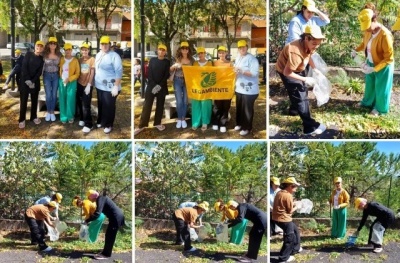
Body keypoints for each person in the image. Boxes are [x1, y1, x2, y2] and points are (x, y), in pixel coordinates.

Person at [275, 25, 326, 135]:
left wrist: (315, 69)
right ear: (306, 38)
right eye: (314, 44)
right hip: (286, 70)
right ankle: (309, 127)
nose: (316, 47)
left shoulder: (309, 44)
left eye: (318, 44)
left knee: (300, 91)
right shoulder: (295, 52)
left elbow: (309, 55)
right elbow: (287, 73)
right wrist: (305, 78)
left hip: (297, 67)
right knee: (301, 97)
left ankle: (294, 110)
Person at [352, 5, 394, 116]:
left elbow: (389, 58)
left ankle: (380, 109)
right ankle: (367, 103)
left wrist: (375, 68)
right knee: (370, 85)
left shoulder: (385, 35)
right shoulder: (368, 31)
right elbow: (364, 43)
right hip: (370, 62)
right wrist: (355, 50)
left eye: (368, 25)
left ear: (374, 20)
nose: (366, 29)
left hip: (383, 65)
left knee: (382, 88)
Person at [134, 44, 170, 135]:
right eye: (160, 49)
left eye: (163, 50)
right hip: (151, 86)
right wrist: (154, 86)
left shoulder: (167, 62)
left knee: (160, 105)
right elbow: (149, 74)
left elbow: (166, 75)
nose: (161, 51)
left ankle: (157, 123)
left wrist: (159, 86)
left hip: (162, 87)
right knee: (147, 105)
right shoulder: (152, 60)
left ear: (165, 52)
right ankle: (142, 125)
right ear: (157, 50)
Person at [94, 35, 123, 134]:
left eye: (106, 43)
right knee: (101, 104)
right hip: (99, 86)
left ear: (109, 44)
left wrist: (116, 86)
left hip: (111, 87)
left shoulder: (114, 56)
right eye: (102, 44)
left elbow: (119, 71)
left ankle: (108, 124)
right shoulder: (98, 54)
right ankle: (101, 121)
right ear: (100, 45)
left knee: (109, 106)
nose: (104, 45)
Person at [85, 189, 125, 260]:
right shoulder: (101, 198)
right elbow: (98, 212)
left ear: (92, 196)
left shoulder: (100, 199)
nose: (89, 200)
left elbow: (97, 213)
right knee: (108, 234)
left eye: (89, 198)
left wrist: (87, 220)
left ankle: (106, 254)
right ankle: (106, 251)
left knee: (110, 235)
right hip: (116, 217)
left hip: (116, 217)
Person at [272, 177, 302, 263]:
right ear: (290, 186)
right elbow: (290, 211)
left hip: (276, 218)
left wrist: (293, 203)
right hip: (284, 219)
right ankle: (283, 257)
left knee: (295, 231)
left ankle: (295, 248)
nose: (296, 188)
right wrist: (297, 206)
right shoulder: (288, 195)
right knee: (290, 237)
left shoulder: (279, 193)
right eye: (295, 186)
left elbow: (283, 205)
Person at [233, 40, 259, 136]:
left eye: (243, 47)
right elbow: (236, 70)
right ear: (238, 49)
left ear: (247, 47)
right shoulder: (238, 58)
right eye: (240, 48)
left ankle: (247, 127)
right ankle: (239, 123)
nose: (242, 49)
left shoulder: (252, 59)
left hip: (250, 90)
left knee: (247, 109)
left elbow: (255, 73)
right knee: (239, 107)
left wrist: (242, 71)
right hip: (239, 88)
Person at [18, 40, 45, 129]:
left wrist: (32, 81)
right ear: (35, 46)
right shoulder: (28, 54)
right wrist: (28, 80)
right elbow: (24, 67)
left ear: (43, 48)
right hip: (24, 82)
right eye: (38, 46)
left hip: (35, 83)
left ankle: (33, 116)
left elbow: (39, 72)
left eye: (41, 46)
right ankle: (22, 119)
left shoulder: (41, 59)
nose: (39, 48)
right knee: (24, 101)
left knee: (34, 101)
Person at [170, 41, 194, 129]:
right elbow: (170, 69)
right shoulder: (176, 58)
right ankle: (179, 118)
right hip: (177, 80)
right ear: (180, 49)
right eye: (183, 48)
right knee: (179, 101)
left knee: (185, 101)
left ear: (188, 50)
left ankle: (183, 118)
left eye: (186, 48)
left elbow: (195, 71)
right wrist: (175, 66)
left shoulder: (192, 60)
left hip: (187, 82)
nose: (184, 50)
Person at [212, 45, 232, 133]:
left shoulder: (230, 63)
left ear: (226, 53)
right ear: (218, 53)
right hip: (217, 88)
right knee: (217, 106)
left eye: (223, 52)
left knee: (226, 106)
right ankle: (216, 122)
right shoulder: (214, 63)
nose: (221, 54)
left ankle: (223, 123)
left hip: (227, 88)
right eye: (220, 53)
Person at [191, 47, 213, 130]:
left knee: (205, 104)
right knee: (196, 104)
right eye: (199, 53)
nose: (200, 55)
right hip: (196, 87)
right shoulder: (195, 64)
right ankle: (196, 122)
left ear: (205, 53)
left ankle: (205, 122)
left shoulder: (210, 63)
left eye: (202, 53)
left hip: (206, 88)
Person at [58, 43, 80, 124]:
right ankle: (63, 117)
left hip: (71, 82)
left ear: (71, 50)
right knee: (62, 99)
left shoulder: (75, 60)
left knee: (70, 99)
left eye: (69, 49)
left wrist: (69, 79)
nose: (68, 51)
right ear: (64, 50)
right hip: (62, 81)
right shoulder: (61, 59)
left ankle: (70, 116)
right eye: (66, 50)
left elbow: (77, 73)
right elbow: (60, 69)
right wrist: (62, 79)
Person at [76, 43, 95, 133]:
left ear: (88, 51)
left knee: (86, 105)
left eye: (86, 50)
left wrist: (89, 84)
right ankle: (82, 118)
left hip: (87, 85)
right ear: (81, 51)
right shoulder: (79, 60)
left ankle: (89, 124)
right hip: (79, 83)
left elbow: (92, 73)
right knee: (80, 102)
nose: (84, 51)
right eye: (83, 50)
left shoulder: (92, 60)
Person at [42, 37, 62, 122]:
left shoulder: (59, 54)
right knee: (48, 94)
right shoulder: (44, 54)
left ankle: (52, 112)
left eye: (54, 43)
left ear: (56, 45)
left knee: (54, 94)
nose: (52, 45)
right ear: (48, 44)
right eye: (51, 43)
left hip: (56, 76)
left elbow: (63, 65)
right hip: (46, 75)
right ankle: (48, 112)